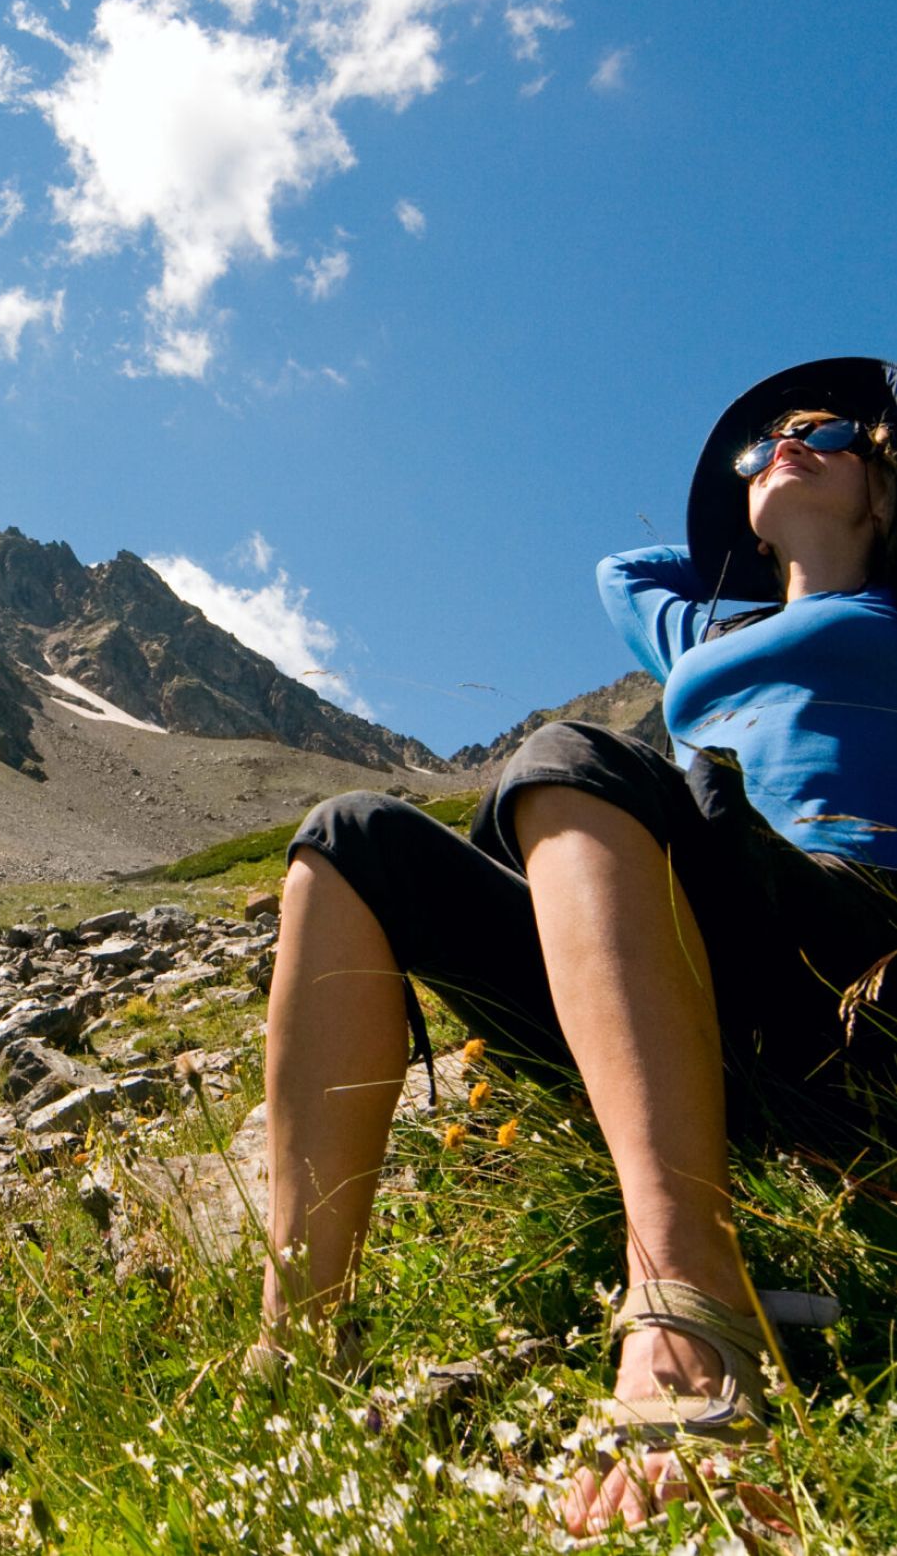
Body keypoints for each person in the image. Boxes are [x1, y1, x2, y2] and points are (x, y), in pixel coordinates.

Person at [256, 358, 897, 1536]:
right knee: (347, 841)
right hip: (696, 983)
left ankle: (689, 1299)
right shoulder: (707, 631)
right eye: (763, 442)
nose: (782, 444)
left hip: (861, 958)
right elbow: (624, 571)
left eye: (824, 431)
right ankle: (297, 1344)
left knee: (570, 757)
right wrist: (749, 532)